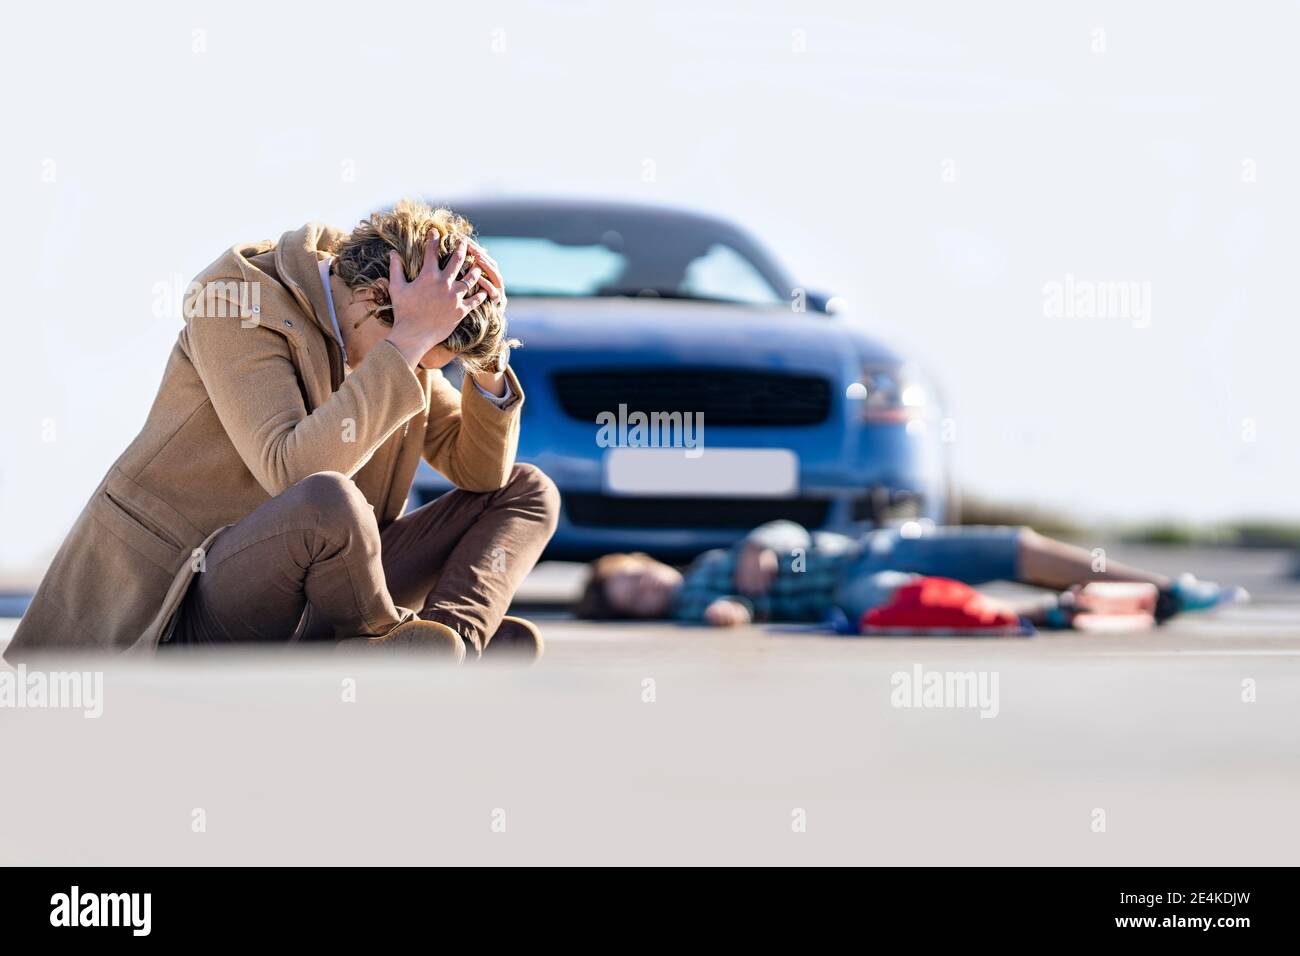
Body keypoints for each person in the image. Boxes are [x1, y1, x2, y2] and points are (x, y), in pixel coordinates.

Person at [6, 200, 559, 663]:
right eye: (420, 350)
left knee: (528, 490)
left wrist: (484, 360)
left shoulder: (393, 342)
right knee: (325, 498)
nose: (419, 370)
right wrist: (409, 344)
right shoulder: (237, 301)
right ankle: (379, 641)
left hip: (322, 593)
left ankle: (449, 647)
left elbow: (482, 475)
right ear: (373, 301)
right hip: (190, 597)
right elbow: (292, 471)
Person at [574, 520, 1244, 629]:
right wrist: (729, 616)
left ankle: (1160, 585)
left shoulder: (714, 560)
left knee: (1015, 545)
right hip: (851, 590)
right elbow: (729, 617)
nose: (645, 587)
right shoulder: (694, 605)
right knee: (909, 605)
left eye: (636, 574)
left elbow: (787, 530)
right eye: (631, 597)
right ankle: (1065, 613)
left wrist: (762, 541)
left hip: (872, 548)